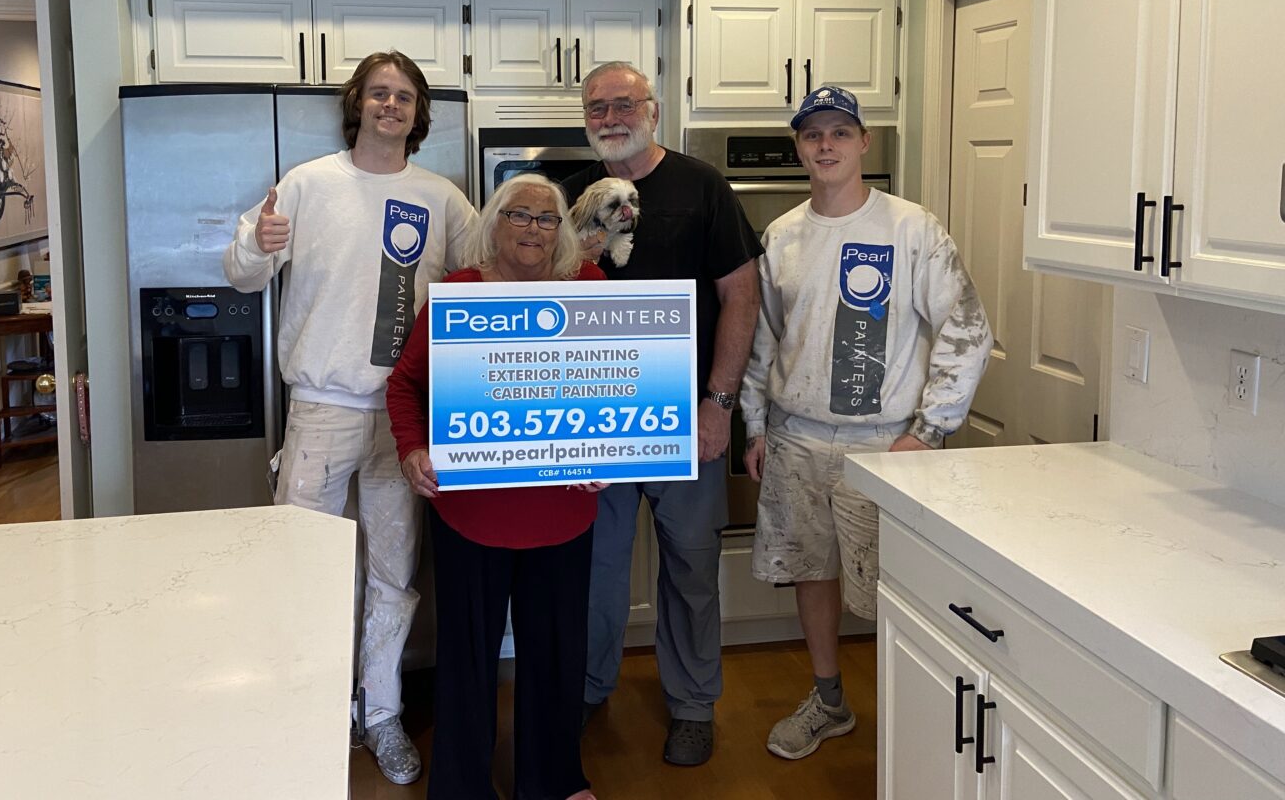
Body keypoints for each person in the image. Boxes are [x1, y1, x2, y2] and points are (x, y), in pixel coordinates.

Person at [222, 50, 477, 786]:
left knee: (394, 574)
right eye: (378, 94)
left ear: (417, 114)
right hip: (322, 411)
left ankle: (382, 714)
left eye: (403, 96)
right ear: (357, 105)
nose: (390, 105)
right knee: (305, 568)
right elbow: (240, 273)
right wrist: (255, 245)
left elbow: (481, 279)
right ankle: (312, 710)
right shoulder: (306, 184)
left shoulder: (441, 198)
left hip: (406, 419)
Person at [740, 85, 991, 761]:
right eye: (813, 134)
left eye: (839, 133)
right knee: (814, 573)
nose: (826, 145)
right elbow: (763, 339)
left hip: (888, 444)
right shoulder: (783, 236)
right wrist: (756, 425)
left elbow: (966, 329)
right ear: (799, 146)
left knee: (899, 587)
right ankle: (829, 700)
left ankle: (914, 715)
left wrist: (930, 430)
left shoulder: (911, 230)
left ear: (863, 144)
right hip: (797, 437)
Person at [562, 62, 762, 767]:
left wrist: (718, 407)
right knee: (594, 568)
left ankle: (692, 704)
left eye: (624, 103)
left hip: (686, 417)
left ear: (651, 108)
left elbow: (741, 296)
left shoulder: (700, 185)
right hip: (593, 419)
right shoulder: (569, 196)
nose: (610, 116)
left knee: (689, 565)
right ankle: (586, 689)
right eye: (597, 106)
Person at [387, 174, 605, 800]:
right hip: (471, 512)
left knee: (556, 657)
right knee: (467, 657)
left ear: (561, 230)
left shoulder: (589, 288)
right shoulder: (458, 294)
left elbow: (622, 386)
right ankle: (460, 786)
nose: (533, 229)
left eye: (546, 218)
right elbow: (404, 385)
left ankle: (555, 781)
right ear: (493, 224)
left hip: (564, 509)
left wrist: (614, 451)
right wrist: (411, 449)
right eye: (519, 215)